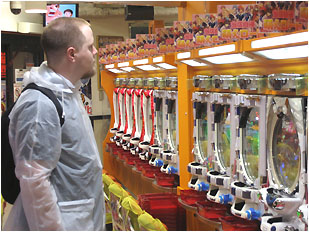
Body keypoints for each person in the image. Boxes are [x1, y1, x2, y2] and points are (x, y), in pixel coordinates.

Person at [3, 17, 105, 231]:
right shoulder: (40, 105)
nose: (95, 52)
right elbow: (35, 181)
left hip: (78, 220)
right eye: (90, 46)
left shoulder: (66, 94)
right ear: (72, 54)